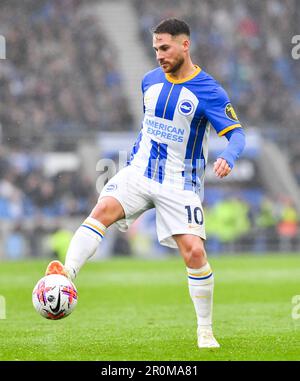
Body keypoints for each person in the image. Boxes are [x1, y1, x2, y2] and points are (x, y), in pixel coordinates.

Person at [45, 18, 246, 349]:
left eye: (165, 48)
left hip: (179, 183)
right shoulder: (149, 81)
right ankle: (65, 275)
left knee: (195, 252)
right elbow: (149, 126)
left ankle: (205, 330)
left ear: (185, 45)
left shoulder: (209, 90)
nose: (159, 55)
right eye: (155, 49)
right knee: (103, 209)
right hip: (140, 171)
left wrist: (230, 157)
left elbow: (237, 134)